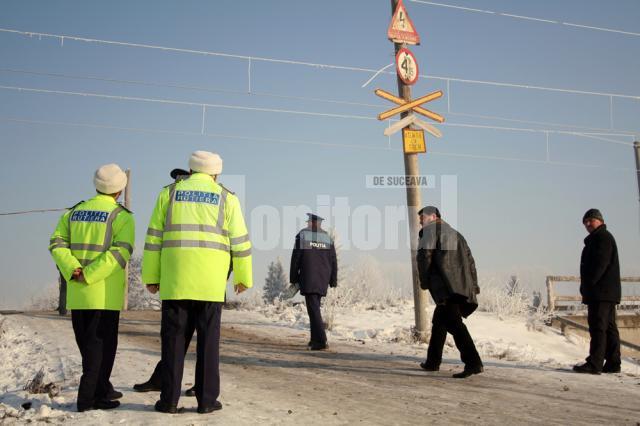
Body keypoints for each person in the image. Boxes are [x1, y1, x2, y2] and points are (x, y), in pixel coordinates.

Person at [143, 151, 252, 414]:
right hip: (211, 285)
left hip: (175, 281)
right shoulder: (227, 198)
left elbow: (154, 238)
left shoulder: (168, 194)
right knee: (208, 344)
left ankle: (168, 400)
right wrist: (243, 276)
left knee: (173, 342)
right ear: (215, 173)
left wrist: (151, 277)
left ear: (191, 171)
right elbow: (240, 240)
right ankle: (206, 401)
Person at [49, 163, 135, 411]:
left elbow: (56, 243)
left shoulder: (74, 212)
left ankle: (101, 389)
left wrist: (73, 269)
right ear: (119, 190)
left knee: (87, 347)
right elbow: (121, 252)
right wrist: (90, 274)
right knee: (101, 349)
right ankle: (88, 399)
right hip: (103, 294)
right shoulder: (121, 217)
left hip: (77, 293)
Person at [416, 206, 483, 379]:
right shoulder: (457, 234)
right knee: (439, 321)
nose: (420, 222)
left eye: (422, 218)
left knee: (453, 323)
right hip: (461, 287)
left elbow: (424, 258)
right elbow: (471, 262)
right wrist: (474, 286)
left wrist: (424, 281)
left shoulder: (429, 232)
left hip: (446, 287)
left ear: (433, 216)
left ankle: (473, 363)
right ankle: (432, 361)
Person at [573, 208, 621, 375]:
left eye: (590, 220)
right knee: (608, 327)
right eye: (585, 222)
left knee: (598, 327)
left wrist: (589, 285)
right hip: (606, 292)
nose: (587, 224)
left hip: (600, 292)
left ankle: (595, 363)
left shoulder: (601, 238)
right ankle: (613, 362)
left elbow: (599, 265)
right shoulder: (600, 238)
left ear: (599, 220)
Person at [289, 213, 337, 350]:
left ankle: (321, 341)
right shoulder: (328, 238)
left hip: (309, 277)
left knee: (313, 309)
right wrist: (333, 279)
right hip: (323, 278)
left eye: (308, 222)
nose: (307, 224)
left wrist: (293, 278)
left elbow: (296, 257)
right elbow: (333, 260)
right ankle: (314, 339)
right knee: (314, 308)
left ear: (311, 223)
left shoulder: (303, 235)